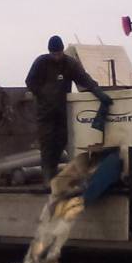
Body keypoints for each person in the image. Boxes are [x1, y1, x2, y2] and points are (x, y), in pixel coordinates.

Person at [25, 35, 113, 185]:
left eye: (59, 53)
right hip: (45, 112)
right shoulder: (41, 62)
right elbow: (30, 81)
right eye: (54, 54)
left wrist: (98, 92)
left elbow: (84, 79)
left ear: (62, 51)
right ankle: (48, 177)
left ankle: (57, 175)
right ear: (49, 52)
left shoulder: (69, 64)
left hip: (62, 110)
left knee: (61, 141)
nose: (57, 57)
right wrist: (42, 94)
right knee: (47, 144)